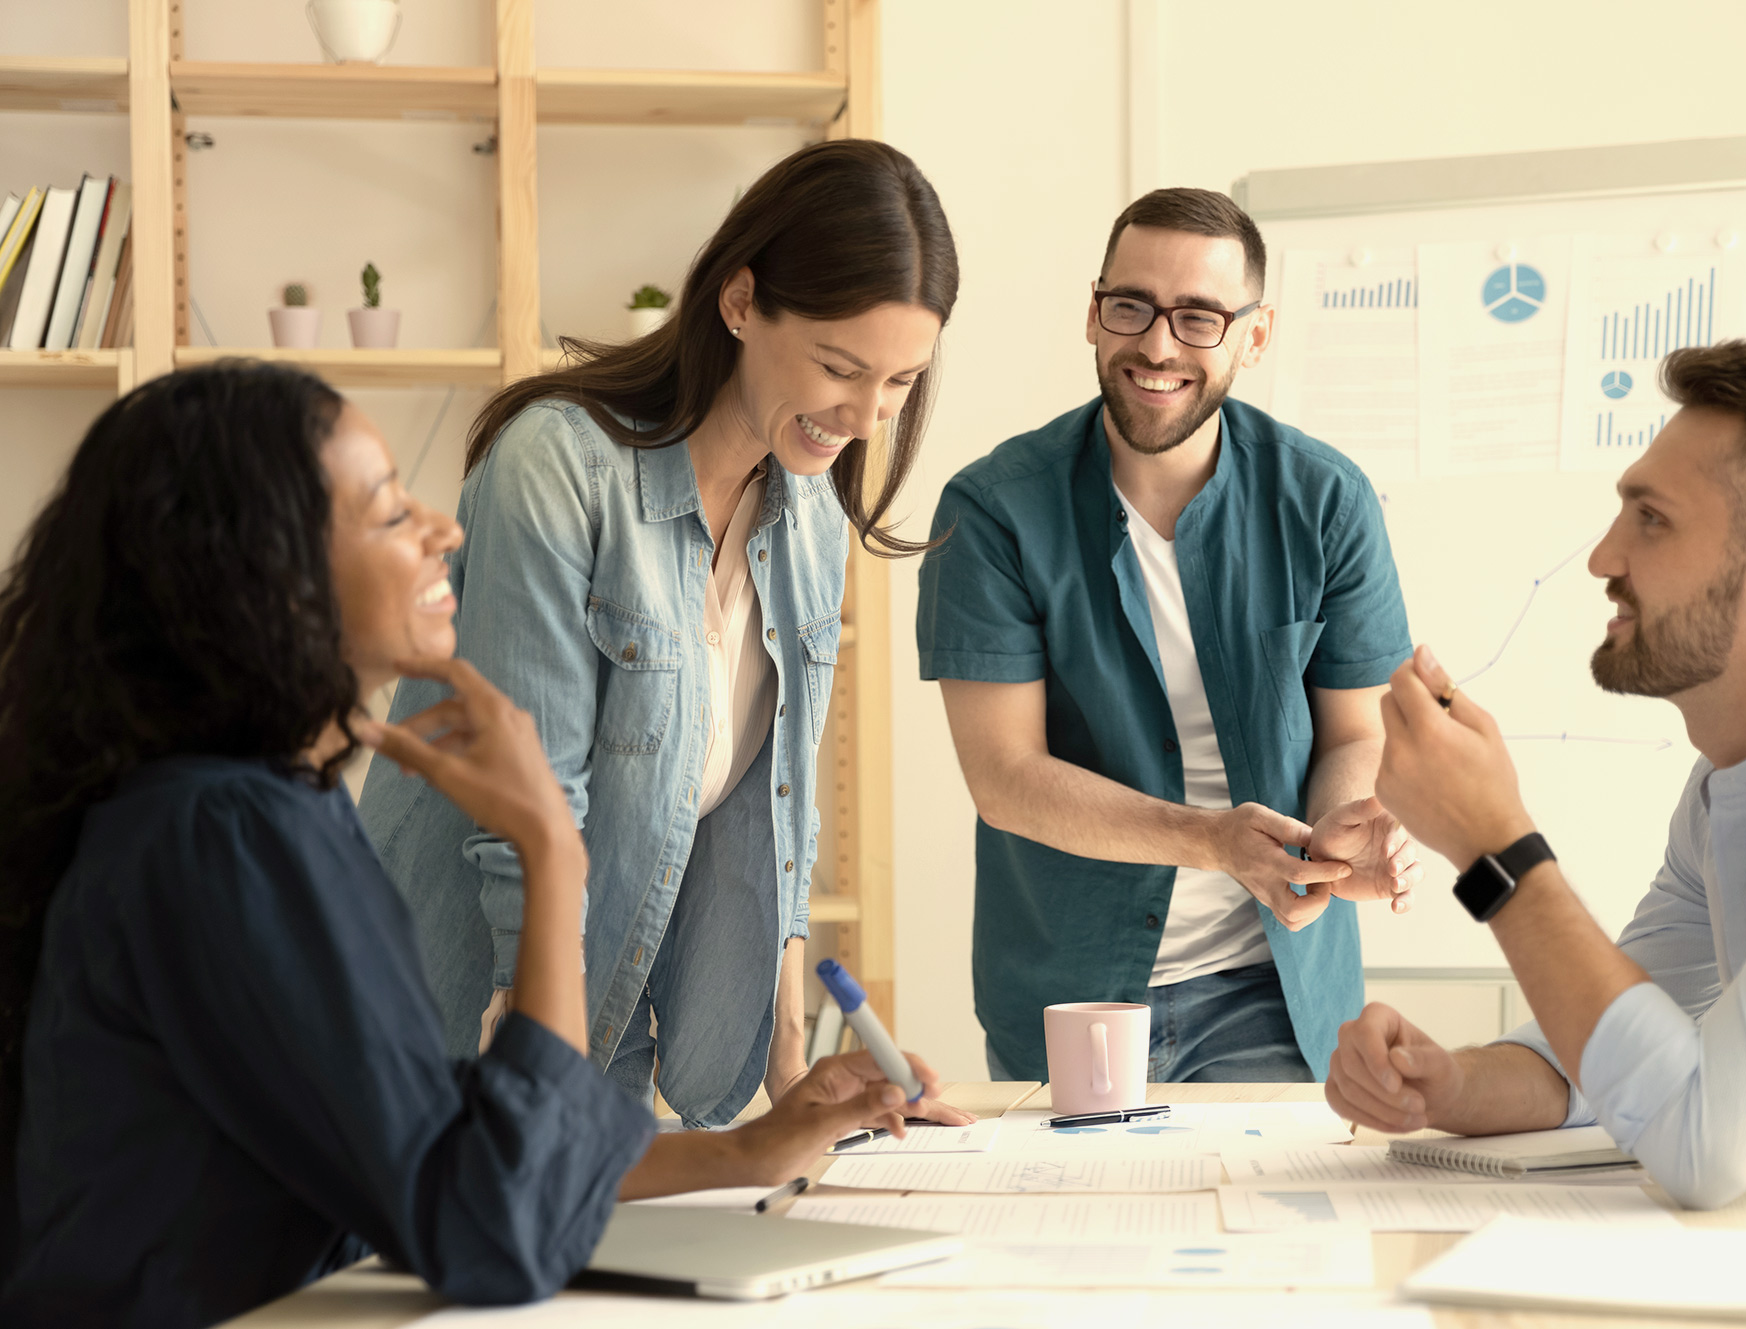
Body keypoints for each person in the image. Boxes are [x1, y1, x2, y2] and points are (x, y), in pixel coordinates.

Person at [0, 364, 950, 1328]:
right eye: (386, 512)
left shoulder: (261, 808)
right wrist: (548, 847)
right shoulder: (228, 836)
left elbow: (445, 1135)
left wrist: (752, 1149)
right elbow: (497, 1224)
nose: (442, 530)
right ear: (263, 573)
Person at [1334, 338, 1746, 1327]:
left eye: (1649, 521)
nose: (1603, 557)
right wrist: (1451, 1085)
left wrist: (1495, 848)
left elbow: (1699, 1138)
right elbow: (1618, 1053)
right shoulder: (1735, 782)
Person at [358, 139, 970, 1126]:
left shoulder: (807, 512)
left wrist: (794, 1077)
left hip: (603, 1021)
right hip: (462, 1015)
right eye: (837, 367)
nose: (863, 417)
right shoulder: (559, 469)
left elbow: (781, 814)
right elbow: (529, 805)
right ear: (738, 303)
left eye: (898, 383)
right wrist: (537, 1073)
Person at [916, 188, 1422, 1085]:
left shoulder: (1327, 501)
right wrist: (1214, 840)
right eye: (1131, 307)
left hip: (1272, 985)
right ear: (1093, 313)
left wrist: (1335, 837)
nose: (1157, 344)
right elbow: (1006, 779)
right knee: (1075, 1228)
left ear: (1253, 337)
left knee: (1269, 1226)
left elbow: (1356, 732)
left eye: (1199, 317)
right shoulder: (994, 510)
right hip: (1069, 994)